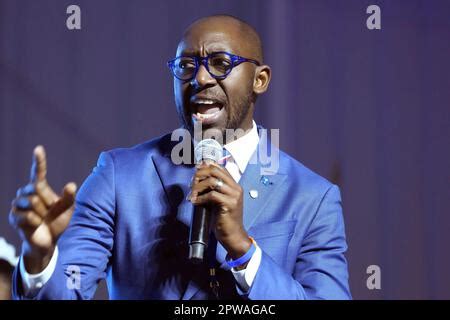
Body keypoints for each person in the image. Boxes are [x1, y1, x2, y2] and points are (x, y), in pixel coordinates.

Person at [9, 15, 351, 299]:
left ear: (259, 80)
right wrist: (39, 259)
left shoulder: (313, 198)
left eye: (220, 63)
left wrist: (245, 250)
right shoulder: (118, 175)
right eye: (187, 65)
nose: (200, 78)